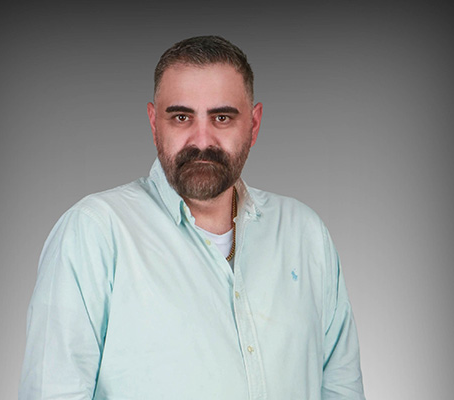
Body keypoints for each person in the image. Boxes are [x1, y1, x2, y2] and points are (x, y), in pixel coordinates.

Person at [19, 35, 365, 399]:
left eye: (222, 117)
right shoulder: (95, 234)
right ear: (154, 123)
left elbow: (342, 389)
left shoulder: (305, 235)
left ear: (254, 124)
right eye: (181, 117)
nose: (202, 140)